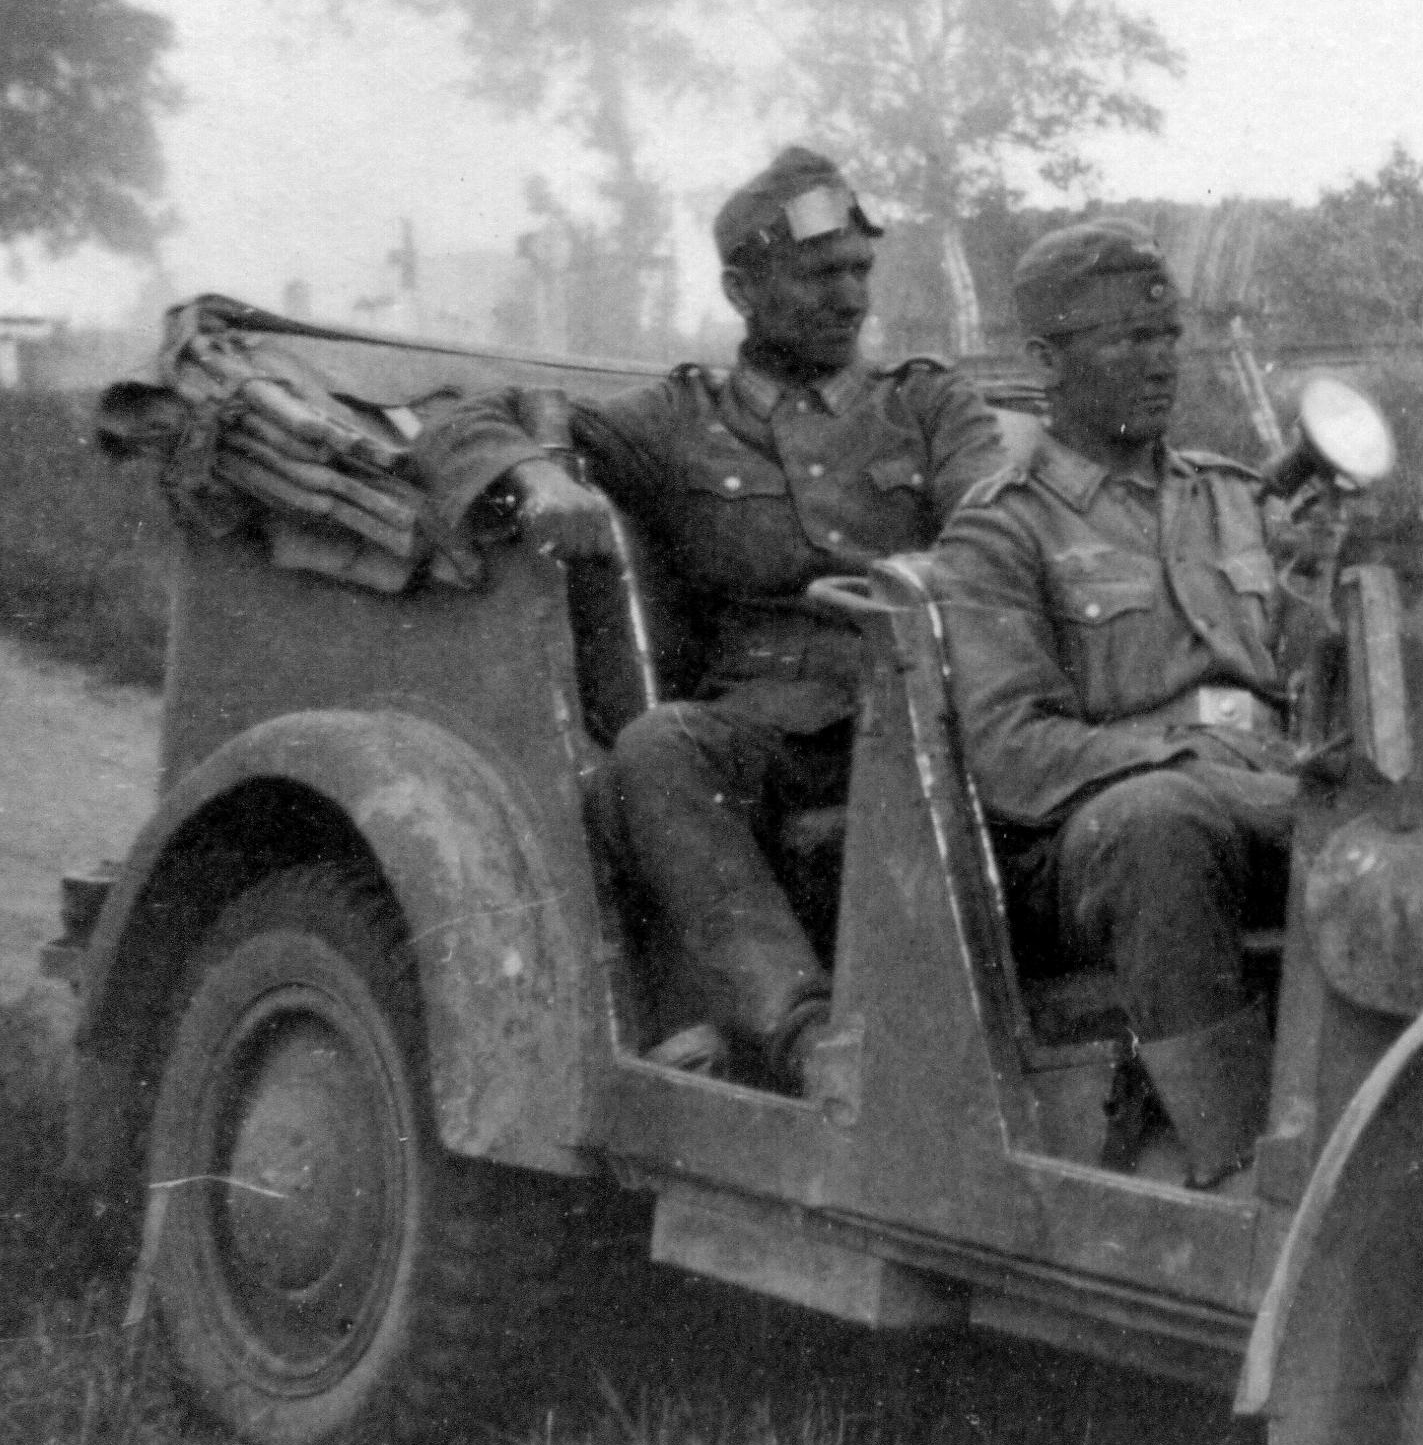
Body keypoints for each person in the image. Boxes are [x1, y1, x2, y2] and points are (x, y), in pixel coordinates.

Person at [417, 146, 1010, 1091]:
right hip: (767, 738)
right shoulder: (678, 419)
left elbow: (996, 527)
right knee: (658, 749)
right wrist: (534, 474)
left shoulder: (928, 404)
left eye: (859, 270)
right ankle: (804, 1037)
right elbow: (463, 418)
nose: (850, 298)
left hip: (927, 706)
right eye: (819, 274)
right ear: (741, 289)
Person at [930, 220, 1302, 1186]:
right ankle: (1235, 1166)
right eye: (1127, 338)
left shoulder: (1235, 499)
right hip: (1090, 844)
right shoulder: (1003, 529)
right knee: (1159, 821)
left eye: (1167, 334)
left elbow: (1310, 671)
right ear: (1046, 361)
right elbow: (1012, 750)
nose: (1160, 359)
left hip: (1265, 797)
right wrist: (1187, 759)